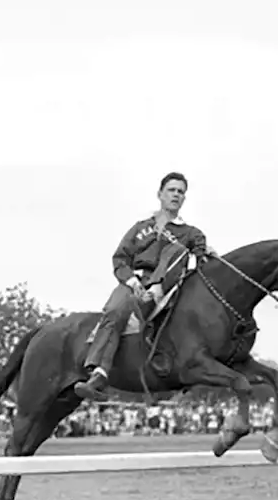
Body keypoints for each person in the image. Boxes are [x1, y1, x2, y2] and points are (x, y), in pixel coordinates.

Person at [74, 171, 211, 400]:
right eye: (171, 190)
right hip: (136, 282)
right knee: (115, 310)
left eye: (181, 192)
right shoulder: (140, 228)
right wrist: (132, 281)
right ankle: (99, 374)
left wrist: (205, 253)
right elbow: (119, 259)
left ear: (184, 199)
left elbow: (200, 259)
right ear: (160, 194)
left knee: (177, 253)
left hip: (171, 287)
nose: (176, 195)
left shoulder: (191, 233)